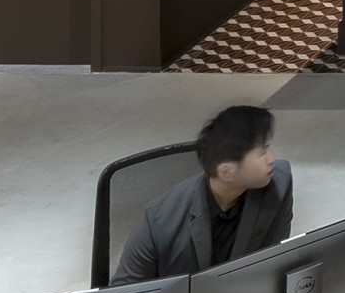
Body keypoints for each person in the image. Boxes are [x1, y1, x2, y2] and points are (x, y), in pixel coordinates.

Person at [111, 103, 292, 280]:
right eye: (262, 152)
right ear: (226, 171)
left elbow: (275, 263)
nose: (272, 159)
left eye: (268, 147)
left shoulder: (279, 183)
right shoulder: (159, 220)